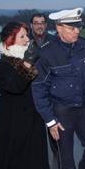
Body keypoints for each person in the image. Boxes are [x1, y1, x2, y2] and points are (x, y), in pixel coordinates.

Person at [31, 8, 85, 169]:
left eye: (79, 27)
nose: (77, 31)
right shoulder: (45, 53)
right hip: (61, 110)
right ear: (58, 28)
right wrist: (50, 121)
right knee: (66, 157)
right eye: (72, 28)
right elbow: (38, 89)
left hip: (84, 107)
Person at [0, 21, 54, 169]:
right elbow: (14, 87)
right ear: (10, 40)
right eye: (22, 36)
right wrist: (27, 65)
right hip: (12, 119)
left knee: (32, 158)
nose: (27, 39)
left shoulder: (30, 55)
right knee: (14, 158)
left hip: (33, 116)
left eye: (27, 35)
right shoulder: (3, 61)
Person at [29, 12, 58, 156]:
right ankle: (36, 156)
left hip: (50, 88)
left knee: (52, 122)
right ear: (31, 25)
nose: (39, 26)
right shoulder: (25, 41)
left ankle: (56, 152)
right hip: (30, 87)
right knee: (33, 125)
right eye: (36, 23)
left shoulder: (54, 41)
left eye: (42, 23)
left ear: (46, 25)